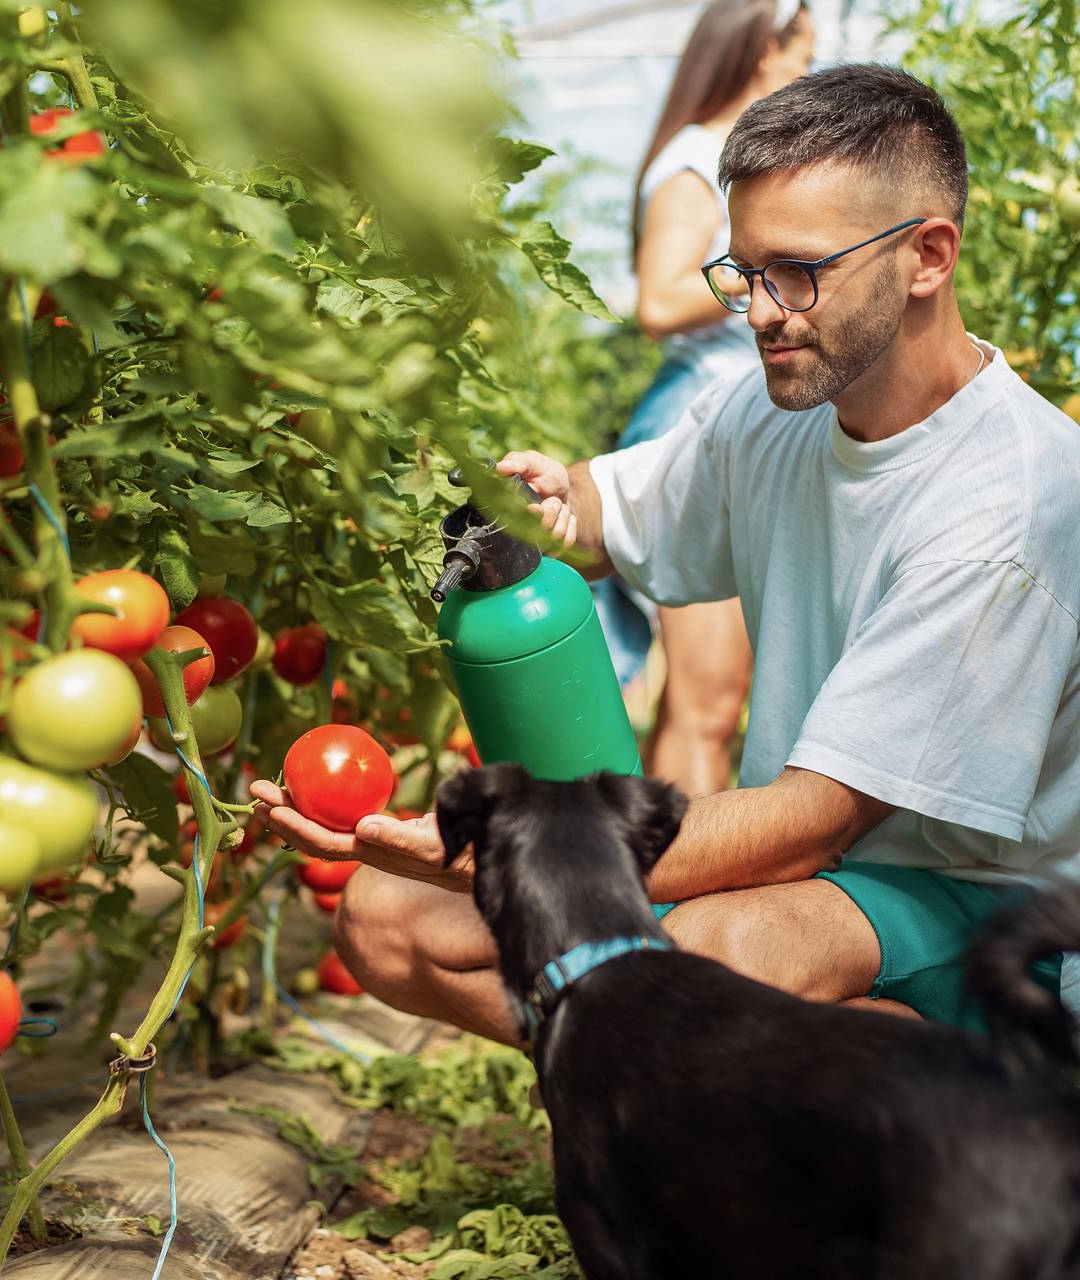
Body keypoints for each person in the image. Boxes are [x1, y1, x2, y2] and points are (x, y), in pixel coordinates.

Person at [252, 63, 1080, 1045]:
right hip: (819, 880)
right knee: (385, 919)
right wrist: (535, 503)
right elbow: (612, 512)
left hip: (985, 914)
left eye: (796, 271)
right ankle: (679, 1091)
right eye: (741, 272)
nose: (761, 311)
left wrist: (510, 847)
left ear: (926, 256)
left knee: (709, 954)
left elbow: (810, 819)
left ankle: (940, 1104)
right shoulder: (773, 409)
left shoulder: (1007, 507)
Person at [596, 0, 815, 799]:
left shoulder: (734, 159)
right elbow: (658, 300)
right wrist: (781, 268)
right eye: (799, 58)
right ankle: (688, 912)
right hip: (698, 421)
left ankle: (652, 892)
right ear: (762, 52)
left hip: (739, 423)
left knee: (703, 701)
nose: (804, 76)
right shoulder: (696, 158)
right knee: (707, 701)